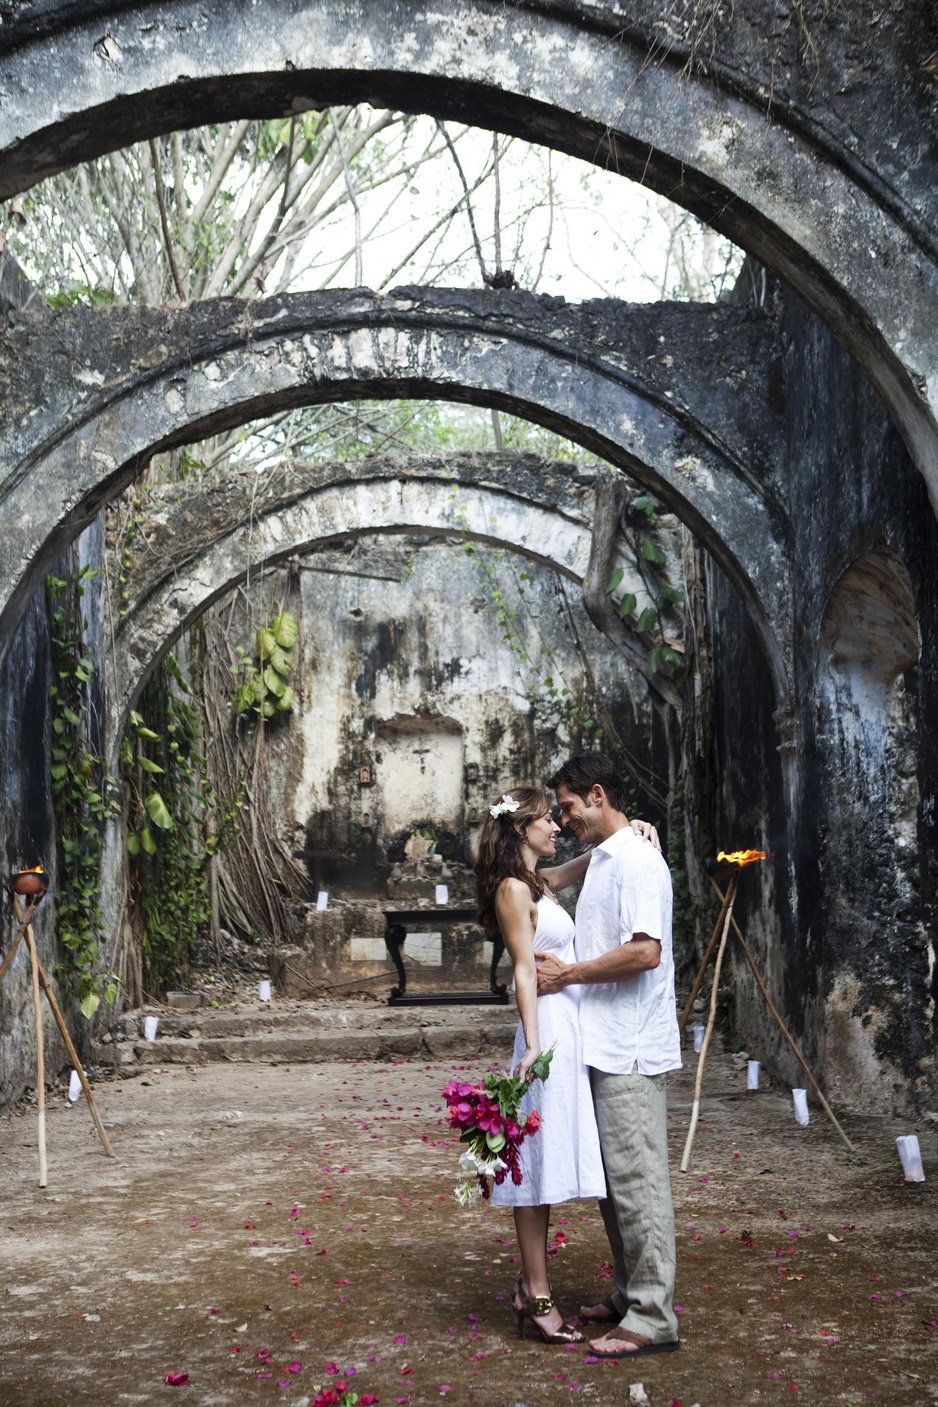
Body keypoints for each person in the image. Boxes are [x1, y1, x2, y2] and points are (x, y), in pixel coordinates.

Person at [475, 785, 658, 1346]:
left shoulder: (538, 883)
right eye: (544, 821)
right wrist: (531, 1044)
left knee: (549, 1162)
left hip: (570, 1033)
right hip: (547, 1031)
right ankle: (536, 1292)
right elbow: (525, 970)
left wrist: (631, 834)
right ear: (519, 830)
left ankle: (530, 1286)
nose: (555, 826)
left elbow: (582, 863)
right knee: (534, 1168)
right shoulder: (511, 888)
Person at [536, 753, 682, 1359]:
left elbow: (644, 952)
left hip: (630, 1045)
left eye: (568, 807)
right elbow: (538, 880)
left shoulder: (640, 861)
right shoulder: (606, 857)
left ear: (597, 795)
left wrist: (569, 974)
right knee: (613, 1185)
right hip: (601, 1042)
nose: (563, 819)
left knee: (638, 1180)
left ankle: (653, 1316)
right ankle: (628, 1296)